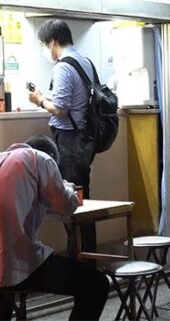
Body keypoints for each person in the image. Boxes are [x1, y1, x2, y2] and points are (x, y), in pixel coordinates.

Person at [0, 135, 109, 321]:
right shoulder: (41, 159)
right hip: (16, 265)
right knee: (96, 284)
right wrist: (68, 189)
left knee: (3, 289)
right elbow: (65, 205)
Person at [27, 19, 98, 254]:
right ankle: (87, 259)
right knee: (82, 201)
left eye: (43, 46)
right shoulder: (85, 62)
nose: (44, 51)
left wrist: (39, 100)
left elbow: (61, 108)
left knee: (71, 203)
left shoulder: (63, 66)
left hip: (69, 142)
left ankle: (80, 261)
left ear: (53, 42)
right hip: (84, 140)